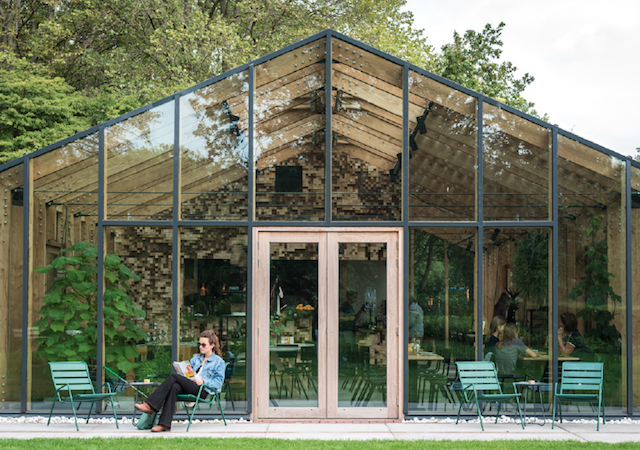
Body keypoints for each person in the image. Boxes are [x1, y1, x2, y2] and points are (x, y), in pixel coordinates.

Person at [134, 330, 226, 432]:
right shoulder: (196, 359)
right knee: (174, 387)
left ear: (212, 345)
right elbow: (189, 374)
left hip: (202, 390)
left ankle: (150, 405)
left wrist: (203, 381)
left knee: (174, 377)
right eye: (199, 344)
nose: (200, 347)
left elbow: (218, 383)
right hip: (191, 385)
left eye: (204, 345)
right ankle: (164, 424)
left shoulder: (218, 362)